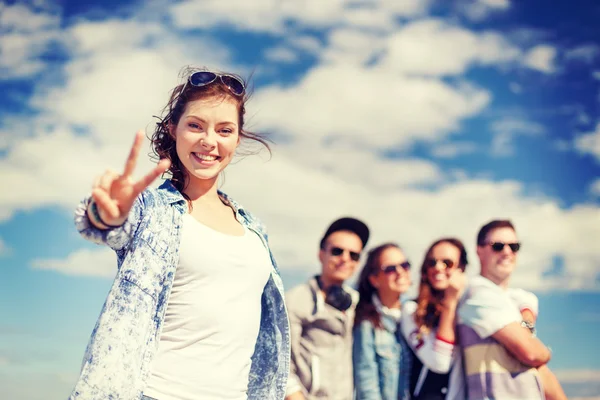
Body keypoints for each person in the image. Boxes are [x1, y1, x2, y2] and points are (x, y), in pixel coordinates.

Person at [69, 68, 290, 400]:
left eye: (224, 130)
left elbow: (265, 334)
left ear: (237, 138)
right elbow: (109, 226)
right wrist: (105, 215)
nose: (209, 141)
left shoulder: (254, 229)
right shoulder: (153, 209)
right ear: (174, 130)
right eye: (195, 126)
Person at [457, 219, 563, 399]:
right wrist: (545, 352)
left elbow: (527, 299)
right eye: (498, 246)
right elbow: (532, 353)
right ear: (479, 250)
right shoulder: (479, 294)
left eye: (514, 246)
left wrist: (526, 320)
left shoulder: (510, 298)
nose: (507, 252)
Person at [285, 217, 370, 400]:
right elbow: (279, 360)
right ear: (321, 254)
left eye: (353, 255)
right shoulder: (295, 300)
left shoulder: (357, 302)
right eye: (337, 251)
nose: (345, 259)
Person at [400, 238, 468, 399]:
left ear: (461, 269)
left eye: (447, 263)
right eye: (432, 262)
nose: (438, 268)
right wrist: (450, 302)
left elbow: (522, 298)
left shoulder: (468, 306)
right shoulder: (411, 310)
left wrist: (526, 317)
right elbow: (440, 362)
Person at [352, 243, 412, 400]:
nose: (400, 272)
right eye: (390, 269)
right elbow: (367, 385)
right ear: (374, 279)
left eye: (404, 265)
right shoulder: (366, 323)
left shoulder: (414, 316)